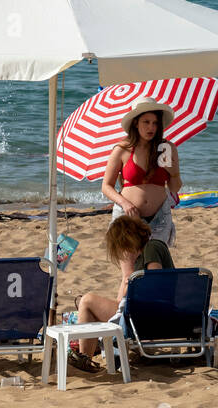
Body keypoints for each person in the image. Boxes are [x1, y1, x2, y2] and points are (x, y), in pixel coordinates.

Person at [71, 215, 173, 370]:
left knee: (87, 301)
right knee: (90, 308)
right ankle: (85, 359)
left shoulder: (152, 247)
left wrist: (129, 277)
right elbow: (123, 299)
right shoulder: (143, 255)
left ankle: (85, 359)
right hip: (153, 316)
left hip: (152, 317)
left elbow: (154, 285)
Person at [102, 97, 182, 246]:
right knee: (130, 267)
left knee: (155, 265)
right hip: (127, 216)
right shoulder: (122, 149)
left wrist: (173, 172)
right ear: (135, 122)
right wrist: (125, 204)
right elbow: (106, 186)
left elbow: (174, 188)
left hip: (160, 217)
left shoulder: (167, 148)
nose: (151, 127)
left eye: (155, 123)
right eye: (146, 122)